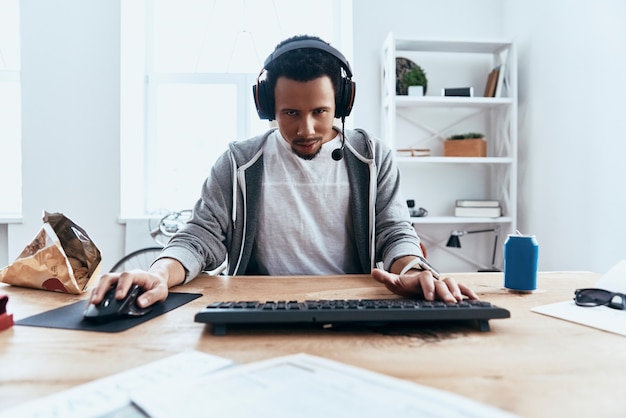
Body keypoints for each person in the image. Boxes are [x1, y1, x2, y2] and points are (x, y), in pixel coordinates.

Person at [90, 35, 478, 309]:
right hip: (257, 305)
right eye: (290, 113)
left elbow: (394, 231)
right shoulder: (240, 161)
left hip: (352, 305)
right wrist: (160, 273)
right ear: (267, 107)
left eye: (320, 112)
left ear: (341, 103)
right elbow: (201, 235)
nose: (306, 129)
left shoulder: (372, 157)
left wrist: (414, 268)